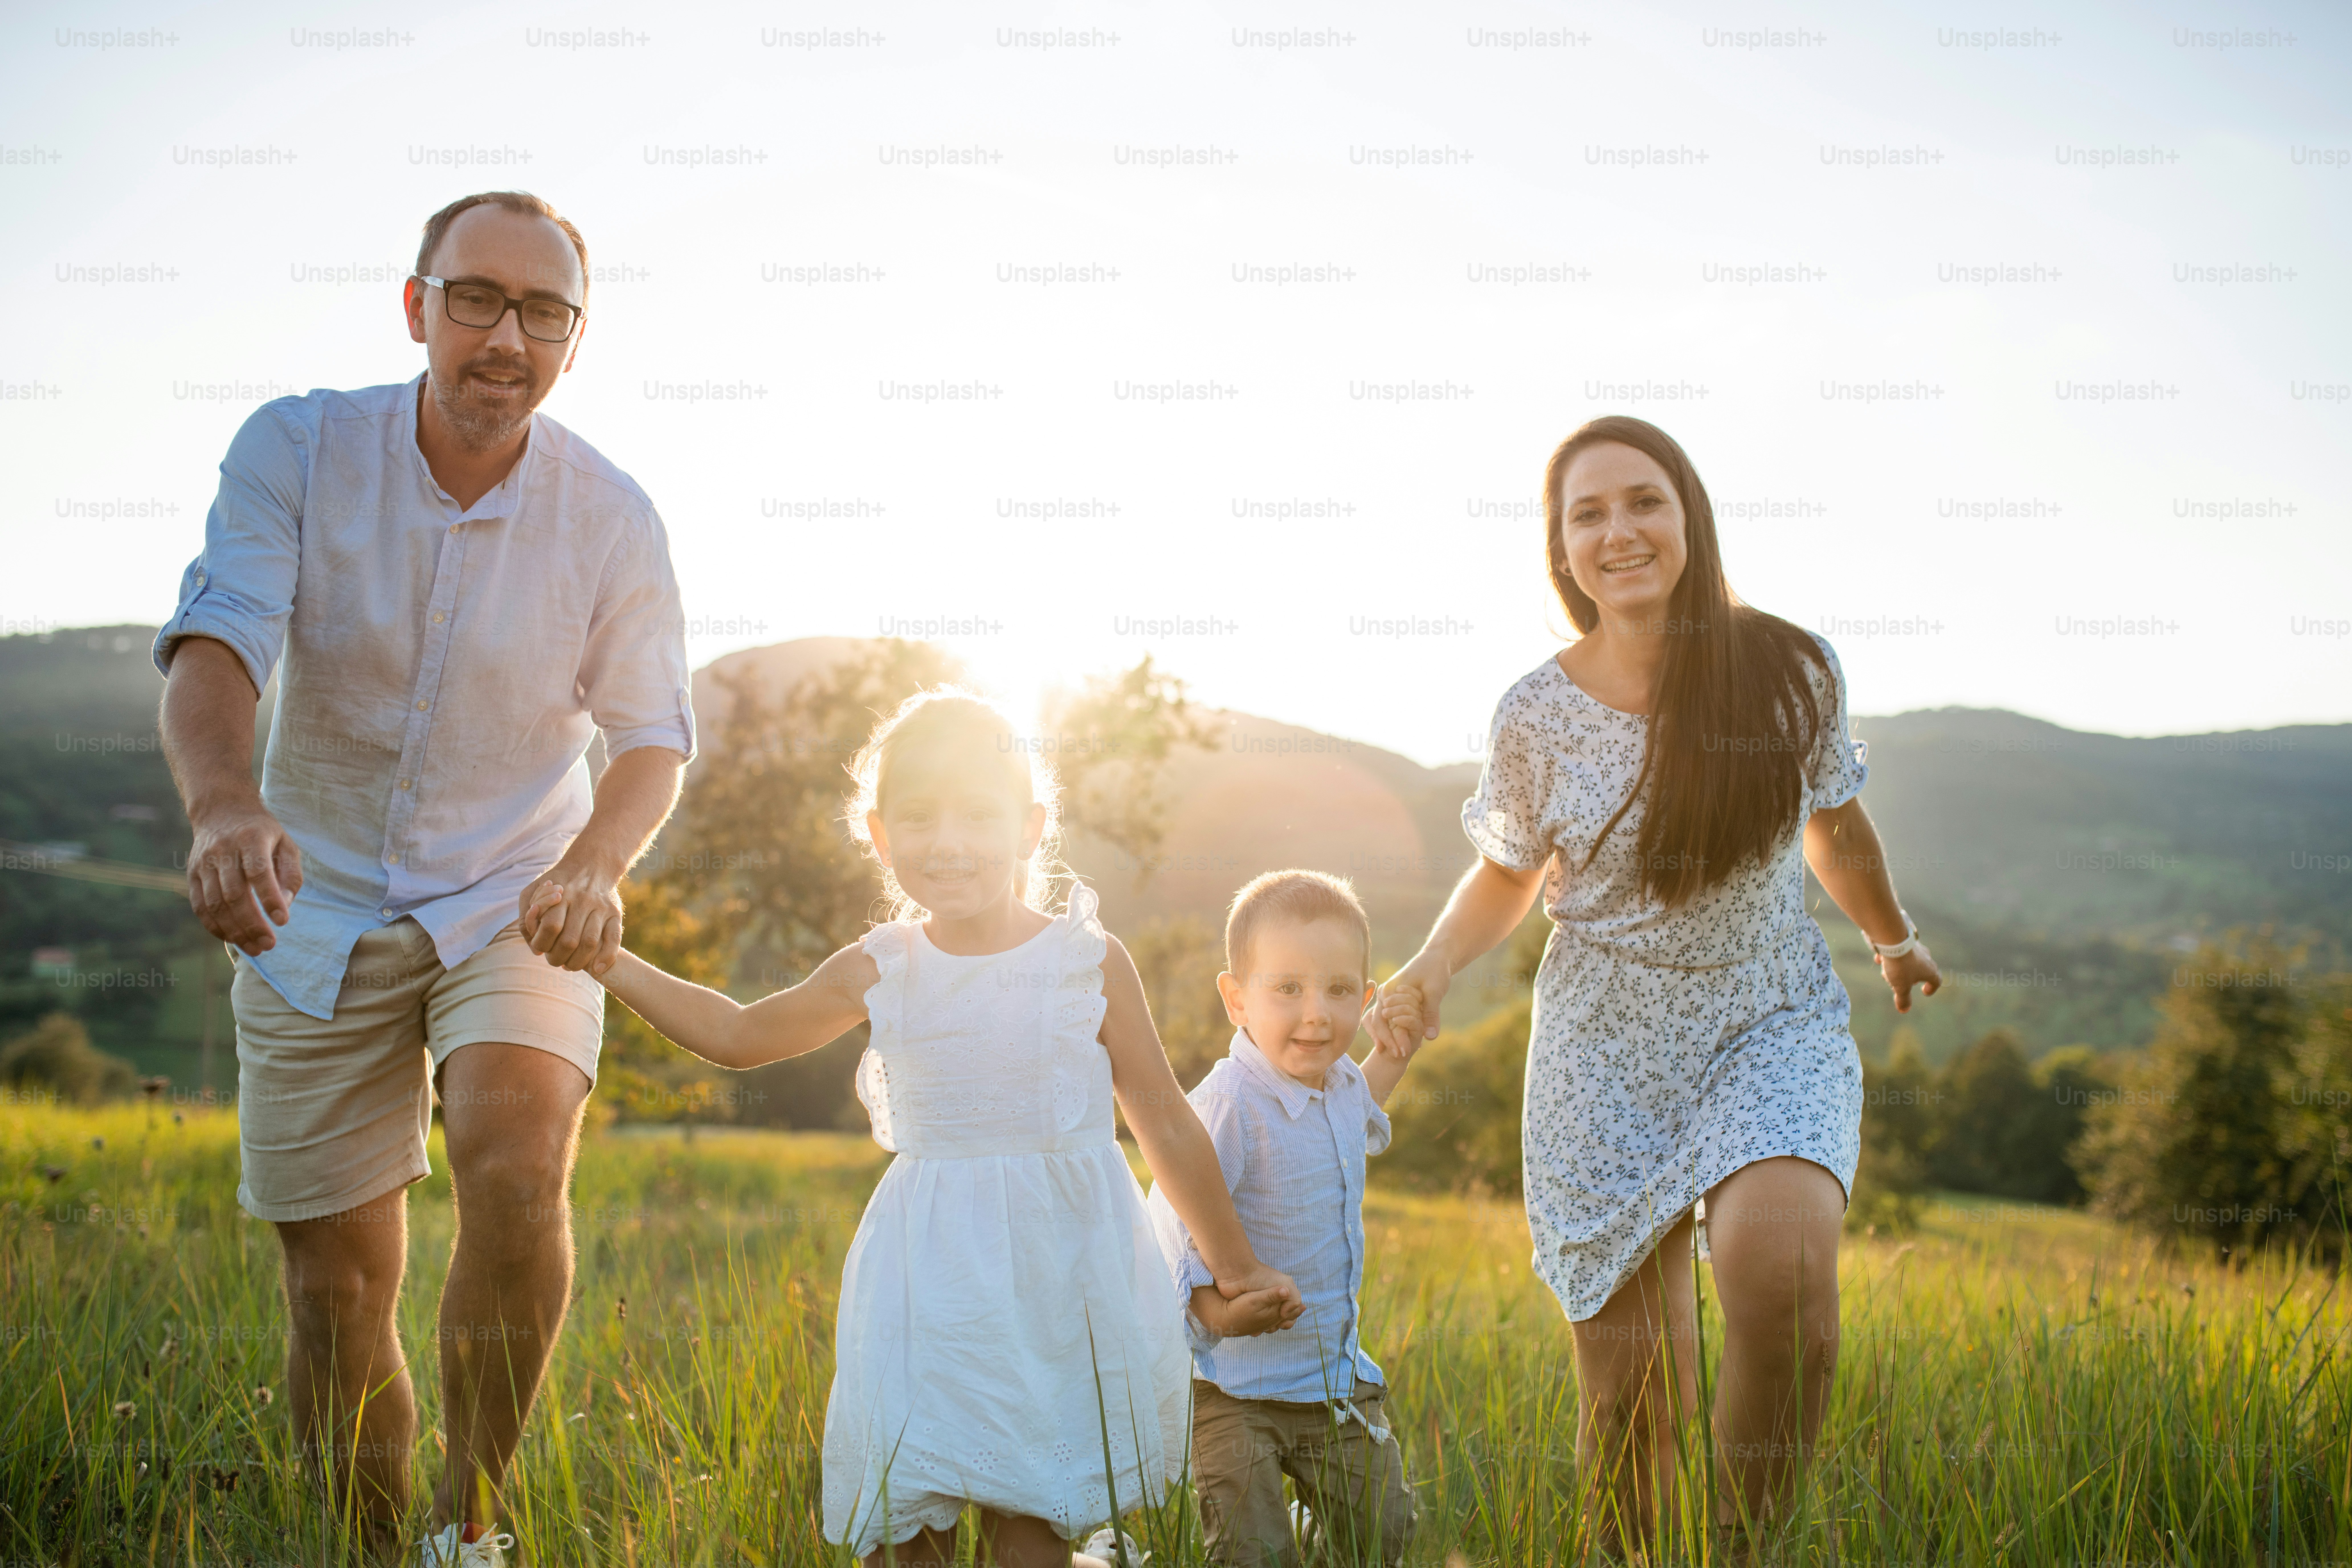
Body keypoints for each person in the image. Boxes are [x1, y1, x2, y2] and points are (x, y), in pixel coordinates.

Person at [154, 191, 694, 1567]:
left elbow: (649, 743)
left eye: (543, 312)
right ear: (417, 307)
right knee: (336, 1286)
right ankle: (372, 1547)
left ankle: (474, 1526)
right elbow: (218, 644)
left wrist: (592, 865)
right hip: (308, 892)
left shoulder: (612, 516)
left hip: (516, 890)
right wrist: (224, 808)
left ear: (574, 340)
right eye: (476, 299)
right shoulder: (296, 448)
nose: (505, 336)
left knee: (515, 1170)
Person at [530, 688, 1302, 1568]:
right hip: (922, 1282)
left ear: (1030, 824)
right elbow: (739, 1034)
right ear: (881, 834)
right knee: (908, 1526)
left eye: (979, 812)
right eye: (921, 817)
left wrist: (1235, 1269)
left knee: (1031, 1528)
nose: (950, 840)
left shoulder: (1084, 959)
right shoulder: (882, 966)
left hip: (1059, 1280)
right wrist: (610, 960)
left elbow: (1162, 1117)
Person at [1365, 416, 1943, 1557]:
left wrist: (1892, 936)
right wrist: (1432, 964)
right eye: (1589, 513)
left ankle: (1743, 1546)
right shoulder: (1534, 712)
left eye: (1645, 501)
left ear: (1690, 518)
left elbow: (1833, 819)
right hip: (1603, 1048)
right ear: (1561, 548)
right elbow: (1508, 869)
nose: (1619, 530)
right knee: (1633, 1396)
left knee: (1781, 1278)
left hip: (1764, 1016)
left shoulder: (1788, 668)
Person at [1145, 870, 1424, 1567]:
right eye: (1287, 989)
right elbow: (1179, 1226)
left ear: (1364, 999)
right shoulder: (1229, 1105)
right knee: (1252, 1551)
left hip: (1329, 1377)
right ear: (1237, 998)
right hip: (1231, 1383)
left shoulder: (1340, 1082)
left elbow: (1352, 1123)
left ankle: (1315, 1536)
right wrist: (1216, 1313)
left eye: (1337, 991)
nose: (1316, 1015)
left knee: (1384, 1534)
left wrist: (1392, 1054)